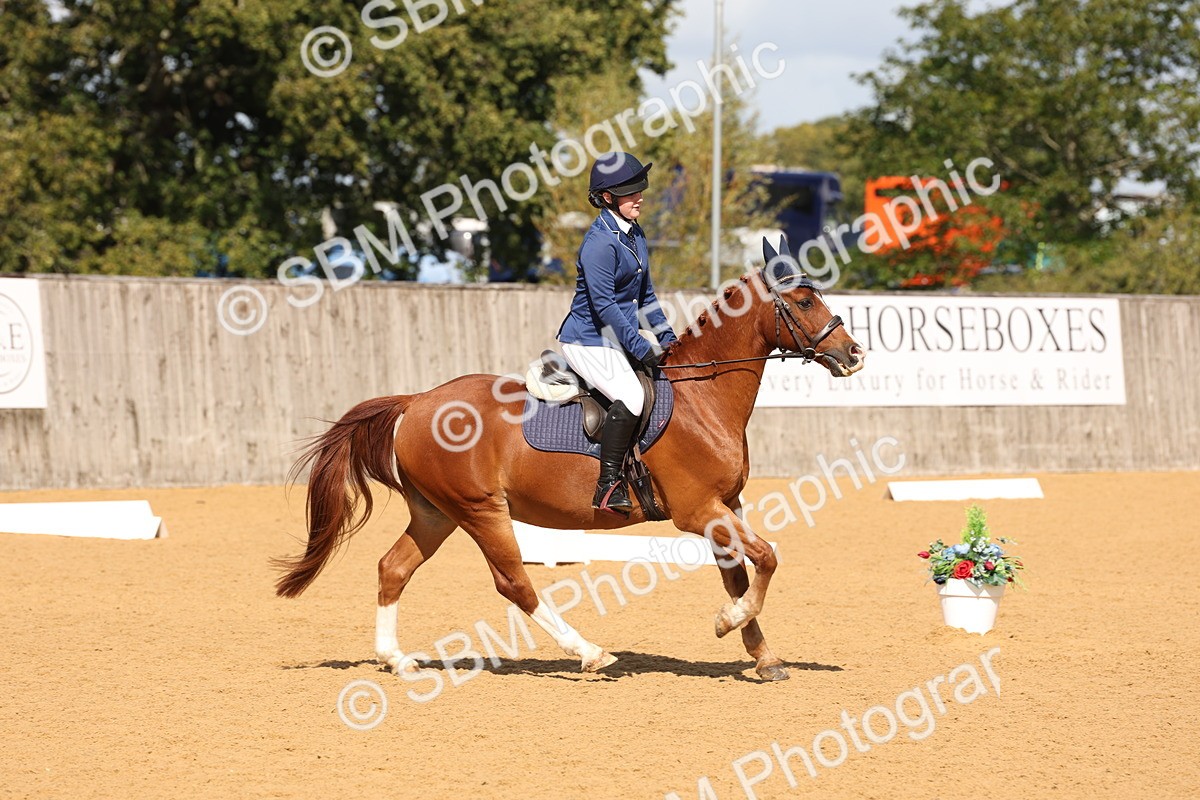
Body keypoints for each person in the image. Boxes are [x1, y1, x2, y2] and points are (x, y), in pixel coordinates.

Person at [556, 152, 678, 516]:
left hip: (616, 338)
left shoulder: (635, 234)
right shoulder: (599, 243)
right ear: (607, 197)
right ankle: (608, 484)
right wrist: (642, 347)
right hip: (588, 340)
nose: (639, 196)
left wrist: (669, 337)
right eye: (629, 192)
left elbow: (647, 297)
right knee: (631, 395)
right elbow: (605, 307)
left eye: (640, 188)